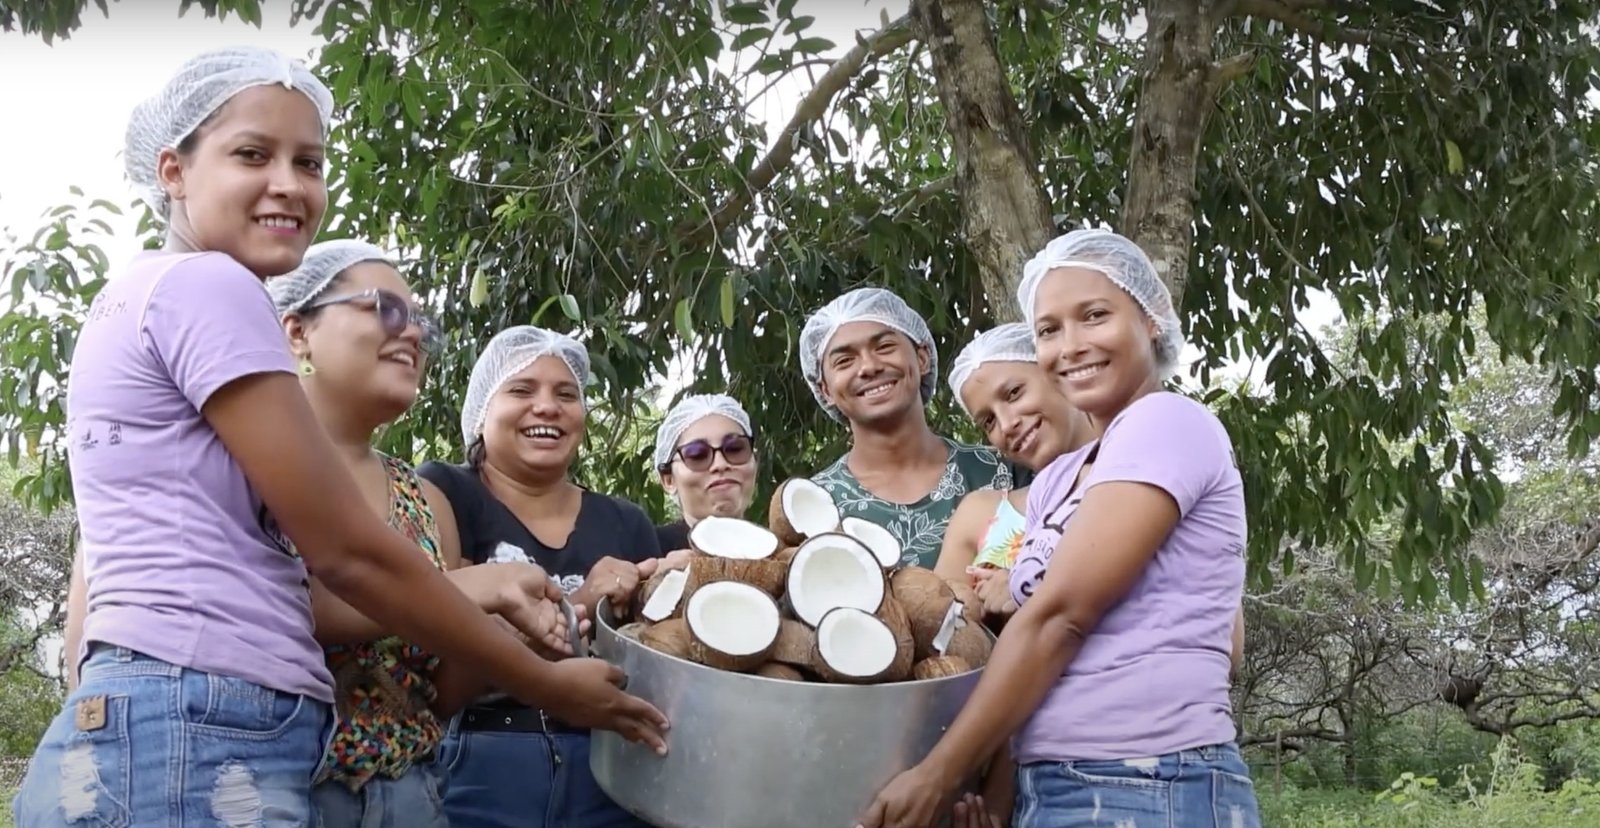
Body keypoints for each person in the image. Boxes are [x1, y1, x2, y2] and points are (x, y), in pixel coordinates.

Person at [13, 48, 664, 828]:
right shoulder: (209, 284)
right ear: (173, 171)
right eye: (253, 153)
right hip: (198, 721)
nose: (289, 183)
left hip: (176, 717)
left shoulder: (143, 294)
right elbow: (349, 556)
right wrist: (544, 681)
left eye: (310, 161)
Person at [858, 229, 1262, 828]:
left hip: (1149, 777)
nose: (1070, 346)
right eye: (1048, 330)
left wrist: (938, 774)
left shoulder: (1166, 422)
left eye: (1093, 315)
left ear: (1150, 320)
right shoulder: (1056, 481)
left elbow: (1060, 617)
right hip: (1055, 780)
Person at [268, 241, 579, 826]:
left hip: (414, 795)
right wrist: (475, 588)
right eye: (383, 309)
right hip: (280, 789)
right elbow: (278, 604)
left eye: (420, 322)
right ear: (297, 330)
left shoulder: (424, 501)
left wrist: (510, 640)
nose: (410, 333)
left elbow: (436, 695)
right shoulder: (250, 456)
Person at [421, 325, 665, 828]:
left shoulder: (626, 522)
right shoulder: (443, 491)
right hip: (479, 766)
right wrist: (585, 605)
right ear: (482, 410)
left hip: (611, 773)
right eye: (522, 389)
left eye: (566, 394)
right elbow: (438, 673)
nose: (548, 407)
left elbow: (653, 667)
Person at [800, 287, 1019, 569]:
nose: (868, 367)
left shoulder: (1002, 471)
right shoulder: (813, 507)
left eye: (884, 347)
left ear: (922, 358)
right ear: (825, 390)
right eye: (844, 361)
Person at [652, 393, 760, 552]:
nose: (720, 464)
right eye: (697, 455)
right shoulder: (645, 555)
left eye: (735, 448)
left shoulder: (785, 555)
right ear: (669, 480)